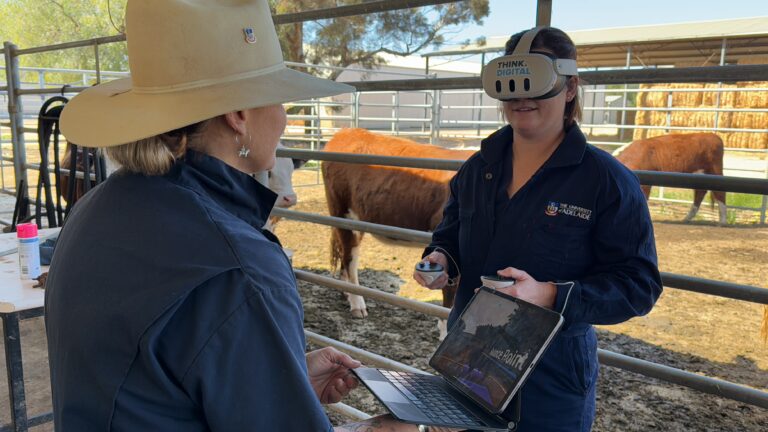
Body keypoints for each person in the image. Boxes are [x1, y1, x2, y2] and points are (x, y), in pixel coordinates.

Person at [46, 1, 430, 431]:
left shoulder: (98, 208)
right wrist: (381, 430)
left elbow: (154, 379)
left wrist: (279, 377)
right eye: (280, 100)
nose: (285, 120)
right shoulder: (239, 268)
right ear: (239, 115)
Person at [414, 27, 662, 432]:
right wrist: (441, 259)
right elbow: (451, 233)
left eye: (536, 84)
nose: (522, 99)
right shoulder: (477, 169)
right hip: (468, 357)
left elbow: (638, 285)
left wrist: (548, 295)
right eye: (512, 87)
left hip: (548, 378)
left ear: (570, 88)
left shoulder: (606, 181)